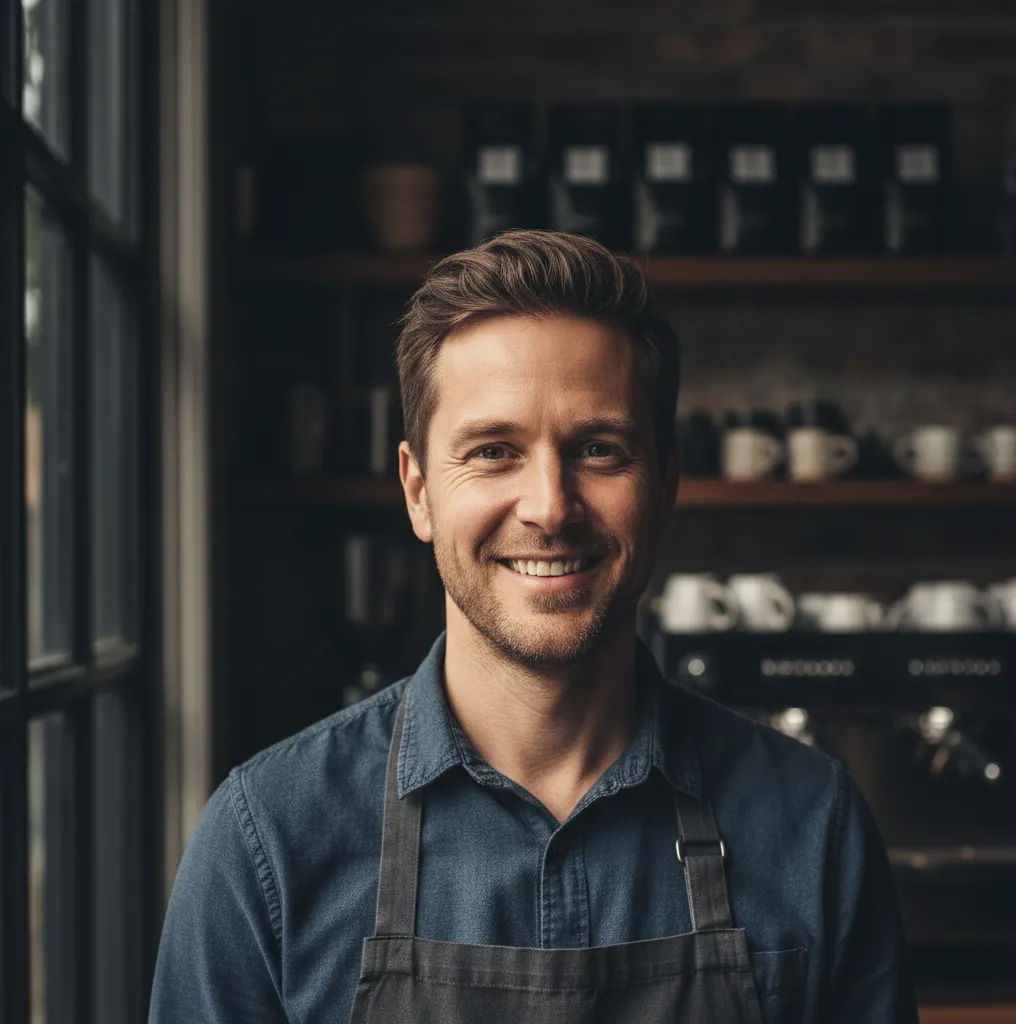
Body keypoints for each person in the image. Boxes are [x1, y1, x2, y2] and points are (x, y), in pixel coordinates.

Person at [149, 230, 917, 1023]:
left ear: (666, 482)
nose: (550, 506)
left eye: (598, 448)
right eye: (492, 451)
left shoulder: (812, 826)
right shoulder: (267, 839)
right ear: (418, 491)